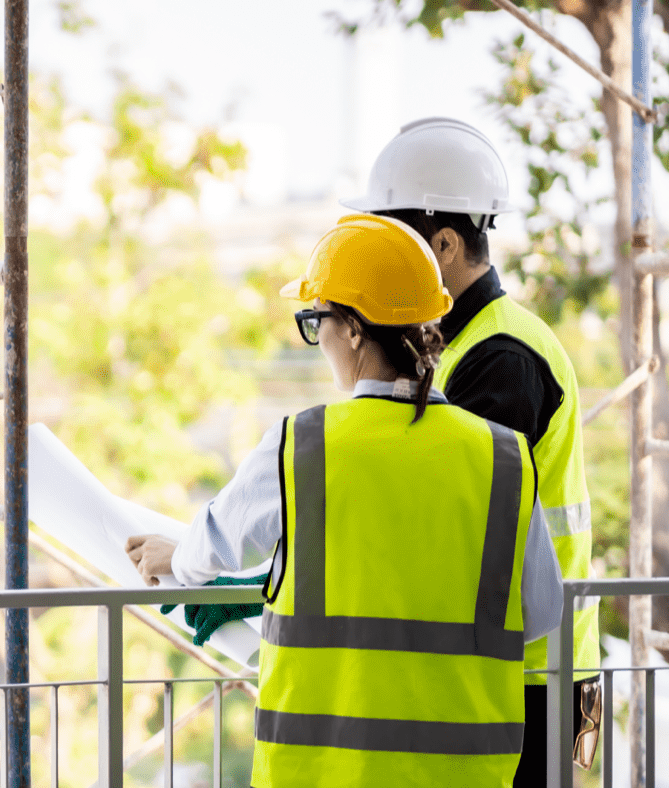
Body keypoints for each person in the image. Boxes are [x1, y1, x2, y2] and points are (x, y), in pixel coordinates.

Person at [127, 213, 563, 788]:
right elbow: (541, 613)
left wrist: (175, 557)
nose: (318, 338)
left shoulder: (302, 444)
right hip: (465, 773)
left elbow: (212, 548)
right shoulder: (502, 455)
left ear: (354, 329)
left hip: (322, 771)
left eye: (316, 320)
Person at [343, 116, 600, 784]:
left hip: (529, 678)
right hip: (511, 667)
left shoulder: (500, 359)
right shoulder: (464, 346)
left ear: (447, 242)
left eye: (394, 243)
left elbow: (448, 520)